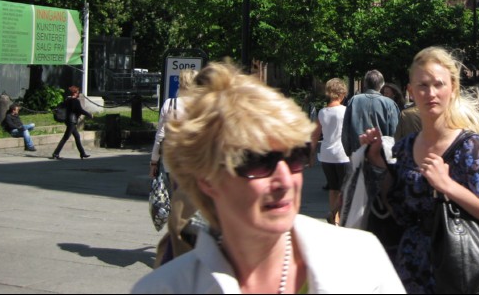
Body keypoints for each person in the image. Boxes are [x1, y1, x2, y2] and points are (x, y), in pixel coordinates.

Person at [131, 61, 405, 294]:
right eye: (259, 161)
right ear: (208, 179)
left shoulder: (360, 260)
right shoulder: (165, 288)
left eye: (296, 155)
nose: (285, 179)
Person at [361, 47, 479, 294]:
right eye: (422, 85)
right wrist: (377, 161)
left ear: (452, 89)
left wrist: (448, 186)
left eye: (439, 84)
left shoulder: (471, 147)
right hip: (412, 272)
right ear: (411, 91)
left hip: (461, 273)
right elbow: (398, 211)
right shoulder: (405, 147)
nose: (431, 93)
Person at [149, 68, 199, 267]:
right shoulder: (202, 107)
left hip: (173, 161)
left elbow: (160, 135)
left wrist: (154, 161)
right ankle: (186, 248)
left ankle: (175, 248)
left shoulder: (171, 104)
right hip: (196, 162)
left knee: (177, 202)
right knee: (194, 205)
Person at [310, 78, 349, 226]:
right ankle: (337, 215)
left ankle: (334, 216)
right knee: (345, 189)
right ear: (342, 94)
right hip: (343, 154)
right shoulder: (346, 111)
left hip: (326, 155)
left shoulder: (322, 112)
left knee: (333, 188)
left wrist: (311, 155)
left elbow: (314, 135)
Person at [341, 69, 399, 157]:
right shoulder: (390, 104)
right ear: (382, 85)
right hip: (382, 156)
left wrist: (349, 152)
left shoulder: (354, 100)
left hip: (357, 153)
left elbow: (345, 130)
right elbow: (395, 132)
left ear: (365, 84)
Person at [51, 85, 93, 159]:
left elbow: (61, 107)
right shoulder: (75, 101)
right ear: (75, 93)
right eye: (77, 92)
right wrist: (89, 114)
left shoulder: (67, 100)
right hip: (72, 121)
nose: (78, 94)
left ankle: (82, 153)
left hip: (68, 120)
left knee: (77, 136)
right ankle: (56, 153)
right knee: (65, 137)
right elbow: (80, 110)